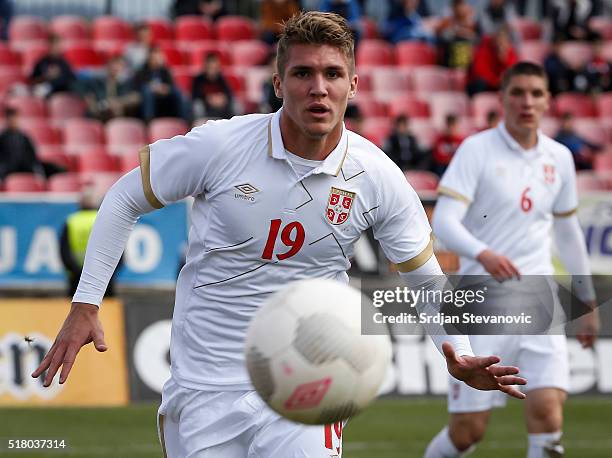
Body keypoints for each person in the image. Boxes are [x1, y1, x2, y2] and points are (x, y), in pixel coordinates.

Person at [32, 12, 527, 457]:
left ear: (353, 85)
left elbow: (426, 280)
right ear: (277, 83)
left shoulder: (377, 177)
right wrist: (86, 303)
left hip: (309, 380)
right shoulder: (221, 146)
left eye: (333, 74)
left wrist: (459, 352)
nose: (319, 88)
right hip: (206, 387)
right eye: (303, 73)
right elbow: (123, 198)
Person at [424, 62, 600, 458]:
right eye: (518, 92)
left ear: (548, 101)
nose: (527, 101)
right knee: (468, 432)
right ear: (502, 98)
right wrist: (482, 253)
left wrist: (586, 301)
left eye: (536, 93)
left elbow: (568, 233)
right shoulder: (476, 150)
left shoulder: (560, 158)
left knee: (549, 415)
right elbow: (446, 221)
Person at [59, 187, 120, 297]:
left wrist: (76, 272)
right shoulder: (106, 220)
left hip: (77, 279)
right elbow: (119, 251)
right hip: (104, 279)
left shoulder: (71, 221)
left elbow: (64, 253)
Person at [132, 46, 187, 121]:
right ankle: (148, 120)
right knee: (147, 91)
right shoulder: (142, 70)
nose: (155, 60)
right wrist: (155, 88)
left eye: (157, 58)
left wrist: (165, 88)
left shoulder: (164, 70)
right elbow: (140, 85)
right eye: (153, 58)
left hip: (164, 94)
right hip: (150, 95)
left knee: (177, 91)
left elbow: (171, 84)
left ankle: (184, 120)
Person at [81, 56, 140, 121]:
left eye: (120, 65)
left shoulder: (126, 84)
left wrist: (119, 102)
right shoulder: (96, 82)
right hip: (99, 115)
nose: (116, 68)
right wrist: (96, 108)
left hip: (119, 115)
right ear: (107, 67)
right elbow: (89, 98)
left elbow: (135, 97)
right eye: (114, 65)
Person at [466, 25, 517, 96]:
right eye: (499, 39)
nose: (500, 43)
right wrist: (496, 82)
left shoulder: (511, 53)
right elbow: (479, 71)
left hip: (496, 84)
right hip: (481, 84)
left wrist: (503, 61)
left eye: (504, 41)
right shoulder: (484, 46)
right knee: (480, 83)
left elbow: (511, 73)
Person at [0, 107, 44, 180]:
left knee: (45, 168)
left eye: (15, 118)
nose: (13, 121)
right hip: (7, 167)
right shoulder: (2, 138)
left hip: (25, 166)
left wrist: (37, 169)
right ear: (7, 120)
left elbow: (32, 156)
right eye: (11, 119)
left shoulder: (24, 137)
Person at [191, 52, 234, 119]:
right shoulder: (198, 79)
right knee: (197, 106)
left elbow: (229, 94)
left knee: (235, 105)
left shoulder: (221, 79)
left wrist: (222, 98)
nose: (212, 70)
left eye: (214, 67)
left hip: (221, 108)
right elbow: (194, 96)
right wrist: (207, 99)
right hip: (206, 108)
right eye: (210, 67)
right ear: (205, 66)